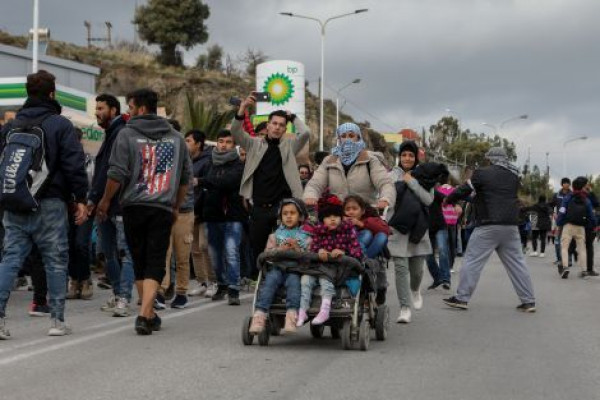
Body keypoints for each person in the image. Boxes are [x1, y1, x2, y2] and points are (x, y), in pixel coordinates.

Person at [0, 70, 89, 339]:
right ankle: (57, 321)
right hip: (50, 202)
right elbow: (74, 164)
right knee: (55, 260)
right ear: (52, 94)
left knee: (10, 259)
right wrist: (81, 199)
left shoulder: (10, 126)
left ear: (28, 93)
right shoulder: (59, 124)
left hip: (15, 201)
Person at [97, 88, 191, 335]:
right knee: (155, 260)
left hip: (133, 207)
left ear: (140, 108)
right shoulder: (177, 138)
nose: (128, 111)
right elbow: (185, 179)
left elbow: (116, 173)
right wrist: (176, 205)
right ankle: (148, 313)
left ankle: (144, 313)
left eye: (129, 107)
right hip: (161, 206)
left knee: (139, 258)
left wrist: (106, 200)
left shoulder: (126, 135)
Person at [442, 147, 536, 312]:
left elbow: (465, 189)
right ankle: (528, 301)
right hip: (510, 226)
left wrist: (449, 199)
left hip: (488, 225)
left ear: (490, 158)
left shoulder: (482, 173)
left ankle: (461, 298)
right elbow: (493, 195)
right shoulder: (514, 176)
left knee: (472, 260)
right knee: (517, 264)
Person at [232, 93, 310, 280]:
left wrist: (293, 117)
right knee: (259, 250)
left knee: (282, 248)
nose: (277, 127)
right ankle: (263, 284)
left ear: (285, 129)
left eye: (281, 125)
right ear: (267, 125)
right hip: (258, 207)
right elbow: (235, 132)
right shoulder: (253, 144)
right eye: (274, 123)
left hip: (281, 208)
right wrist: (242, 110)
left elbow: (305, 133)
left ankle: (282, 282)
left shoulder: (289, 147)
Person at [88, 93, 135, 317]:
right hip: (105, 203)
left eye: (101, 108)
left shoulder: (121, 133)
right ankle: (118, 294)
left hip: (118, 203)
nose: (97, 112)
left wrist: (100, 199)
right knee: (108, 252)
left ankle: (124, 297)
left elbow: (113, 171)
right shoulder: (111, 133)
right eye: (96, 108)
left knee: (124, 252)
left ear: (114, 110)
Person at [386, 141, 434, 323]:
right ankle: (404, 308)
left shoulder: (424, 175)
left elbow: (429, 200)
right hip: (397, 228)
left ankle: (415, 289)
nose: (407, 158)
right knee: (400, 268)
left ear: (416, 158)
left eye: (411, 155)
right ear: (400, 156)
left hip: (418, 228)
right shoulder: (390, 175)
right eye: (404, 155)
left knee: (417, 271)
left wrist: (412, 182)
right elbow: (384, 196)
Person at [297, 194, 363, 327]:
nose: (332, 219)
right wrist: (319, 251)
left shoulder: (348, 231)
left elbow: (357, 251)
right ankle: (302, 310)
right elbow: (313, 248)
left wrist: (344, 252)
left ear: (340, 217)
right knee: (305, 280)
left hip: (338, 268)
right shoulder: (319, 232)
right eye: (328, 217)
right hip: (319, 265)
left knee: (325, 280)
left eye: (336, 216)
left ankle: (325, 310)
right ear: (323, 220)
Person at [249, 198, 310, 335]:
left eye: (292, 213)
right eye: (285, 213)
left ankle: (291, 315)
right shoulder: (274, 236)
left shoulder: (306, 237)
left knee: (294, 284)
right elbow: (267, 254)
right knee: (269, 283)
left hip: (295, 269)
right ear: (280, 217)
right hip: (277, 267)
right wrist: (278, 249)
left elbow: (309, 257)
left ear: (300, 216)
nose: (288, 216)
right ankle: (260, 314)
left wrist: (297, 248)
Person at [304, 122, 395, 210]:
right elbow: (315, 184)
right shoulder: (329, 161)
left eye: (351, 136)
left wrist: (385, 199)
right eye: (343, 136)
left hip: (364, 215)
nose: (347, 139)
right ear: (339, 139)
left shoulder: (370, 160)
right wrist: (310, 196)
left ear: (358, 138)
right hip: (337, 216)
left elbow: (385, 183)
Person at [202, 129, 247, 305]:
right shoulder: (209, 163)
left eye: (228, 142)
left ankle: (234, 288)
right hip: (212, 215)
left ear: (233, 145)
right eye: (221, 141)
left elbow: (227, 182)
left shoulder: (238, 165)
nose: (223, 145)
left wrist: (204, 181)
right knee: (215, 255)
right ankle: (221, 284)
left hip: (233, 215)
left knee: (231, 252)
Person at [155, 120, 195, 310]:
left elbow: (187, 180)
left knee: (182, 255)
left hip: (184, 211)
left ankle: (181, 292)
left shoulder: (184, 155)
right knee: (163, 253)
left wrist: (177, 205)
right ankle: (161, 292)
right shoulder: (159, 154)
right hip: (163, 210)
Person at [184, 130, 215, 297]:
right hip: (189, 210)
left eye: (188, 140)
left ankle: (213, 282)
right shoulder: (186, 160)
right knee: (194, 248)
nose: (185, 143)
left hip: (203, 211)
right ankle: (201, 282)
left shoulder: (208, 161)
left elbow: (207, 187)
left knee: (204, 247)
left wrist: (199, 210)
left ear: (198, 144)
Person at [556, 176, 596, 279]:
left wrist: (559, 223)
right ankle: (584, 271)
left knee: (564, 247)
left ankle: (565, 267)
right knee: (582, 249)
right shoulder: (586, 199)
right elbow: (591, 215)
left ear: (572, 187)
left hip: (568, 226)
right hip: (581, 227)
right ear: (582, 187)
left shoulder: (568, 197)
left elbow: (562, 211)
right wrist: (593, 225)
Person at [343, 195, 389, 259]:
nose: (351, 212)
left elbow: (386, 230)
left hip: (369, 249)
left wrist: (361, 224)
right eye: (347, 209)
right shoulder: (341, 220)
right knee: (367, 233)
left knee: (382, 236)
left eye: (354, 209)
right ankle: (360, 259)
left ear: (362, 211)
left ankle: (365, 260)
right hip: (349, 249)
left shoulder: (370, 218)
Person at [552, 178, 573, 265]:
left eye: (568, 183)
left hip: (569, 221)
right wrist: (553, 213)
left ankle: (569, 259)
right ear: (562, 184)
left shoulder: (572, 195)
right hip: (559, 220)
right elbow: (550, 205)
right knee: (557, 240)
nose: (566, 184)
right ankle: (559, 259)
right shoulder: (556, 195)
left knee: (569, 240)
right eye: (564, 183)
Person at [583, 182, 599, 276]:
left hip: (577, 224)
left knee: (583, 246)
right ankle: (588, 269)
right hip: (588, 224)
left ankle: (586, 269)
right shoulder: (590, 196)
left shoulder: (573, 195)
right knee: (588, 246)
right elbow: (597, 204)